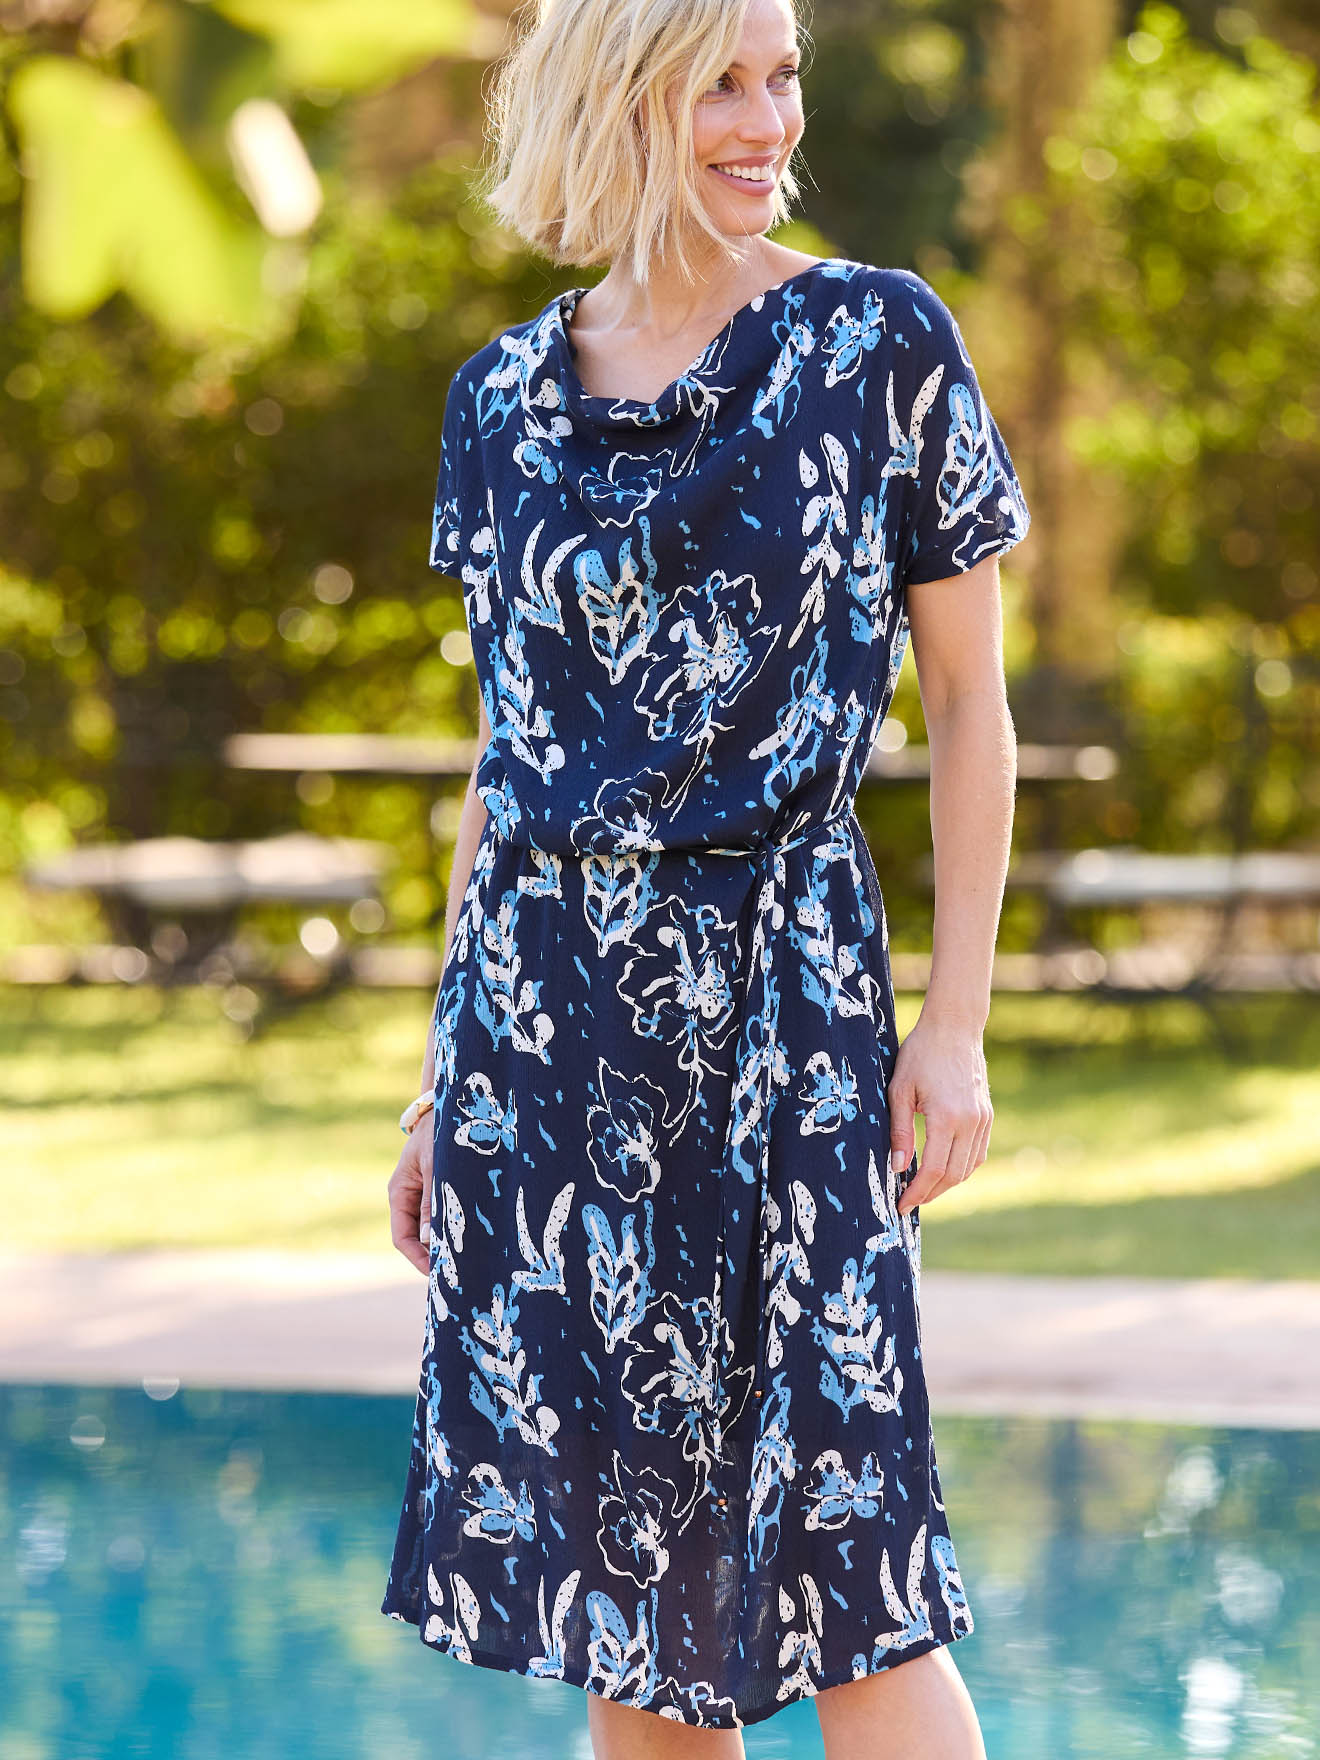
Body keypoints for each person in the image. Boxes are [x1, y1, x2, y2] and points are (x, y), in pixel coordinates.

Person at [382, 0, 1030, 1750]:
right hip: (547, 1037)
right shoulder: (498, 401)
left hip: (786, 1018)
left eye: (783, 75)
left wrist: (954, 1028)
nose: (769, 120)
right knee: (638, 1615)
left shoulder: (877, 339)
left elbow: (973, 708)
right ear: (618, 99)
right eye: (719, 84)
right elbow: (508, 755)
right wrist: (439, 1083)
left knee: (856, 1583)